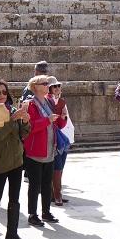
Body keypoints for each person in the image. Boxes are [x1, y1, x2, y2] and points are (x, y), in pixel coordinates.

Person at [0, 80, 31, 239]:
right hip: (0, 162)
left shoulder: (12, 109)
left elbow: (23, 134)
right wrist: (12, 119)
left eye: (4, 92)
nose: (1, 96)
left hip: (16, 160)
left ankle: (12, 233)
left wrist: (25, 122)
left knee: (15, 198)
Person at [22, 75, 66, 227]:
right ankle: (33, 214)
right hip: (35, 150)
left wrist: (63, 118)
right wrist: (48, 120)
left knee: (47, 183)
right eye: (45, 84)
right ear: (36, 87)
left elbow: (57, 125)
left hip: (49, 149)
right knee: (35, 184)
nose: (48, 86)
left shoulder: (48, 101)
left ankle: (46, 211)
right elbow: (30, 127)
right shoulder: (30, 104)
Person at [47, 76, 71, 206]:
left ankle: (55, 193)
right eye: (54, 86)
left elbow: (61, 125)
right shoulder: (48, 101)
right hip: (51, 136)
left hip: (58, 134)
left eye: (58, 86)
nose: (57, 88)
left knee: (60, 166)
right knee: (57, 166)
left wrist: (63, 117)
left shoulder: (60, 102)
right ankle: (57, 194)